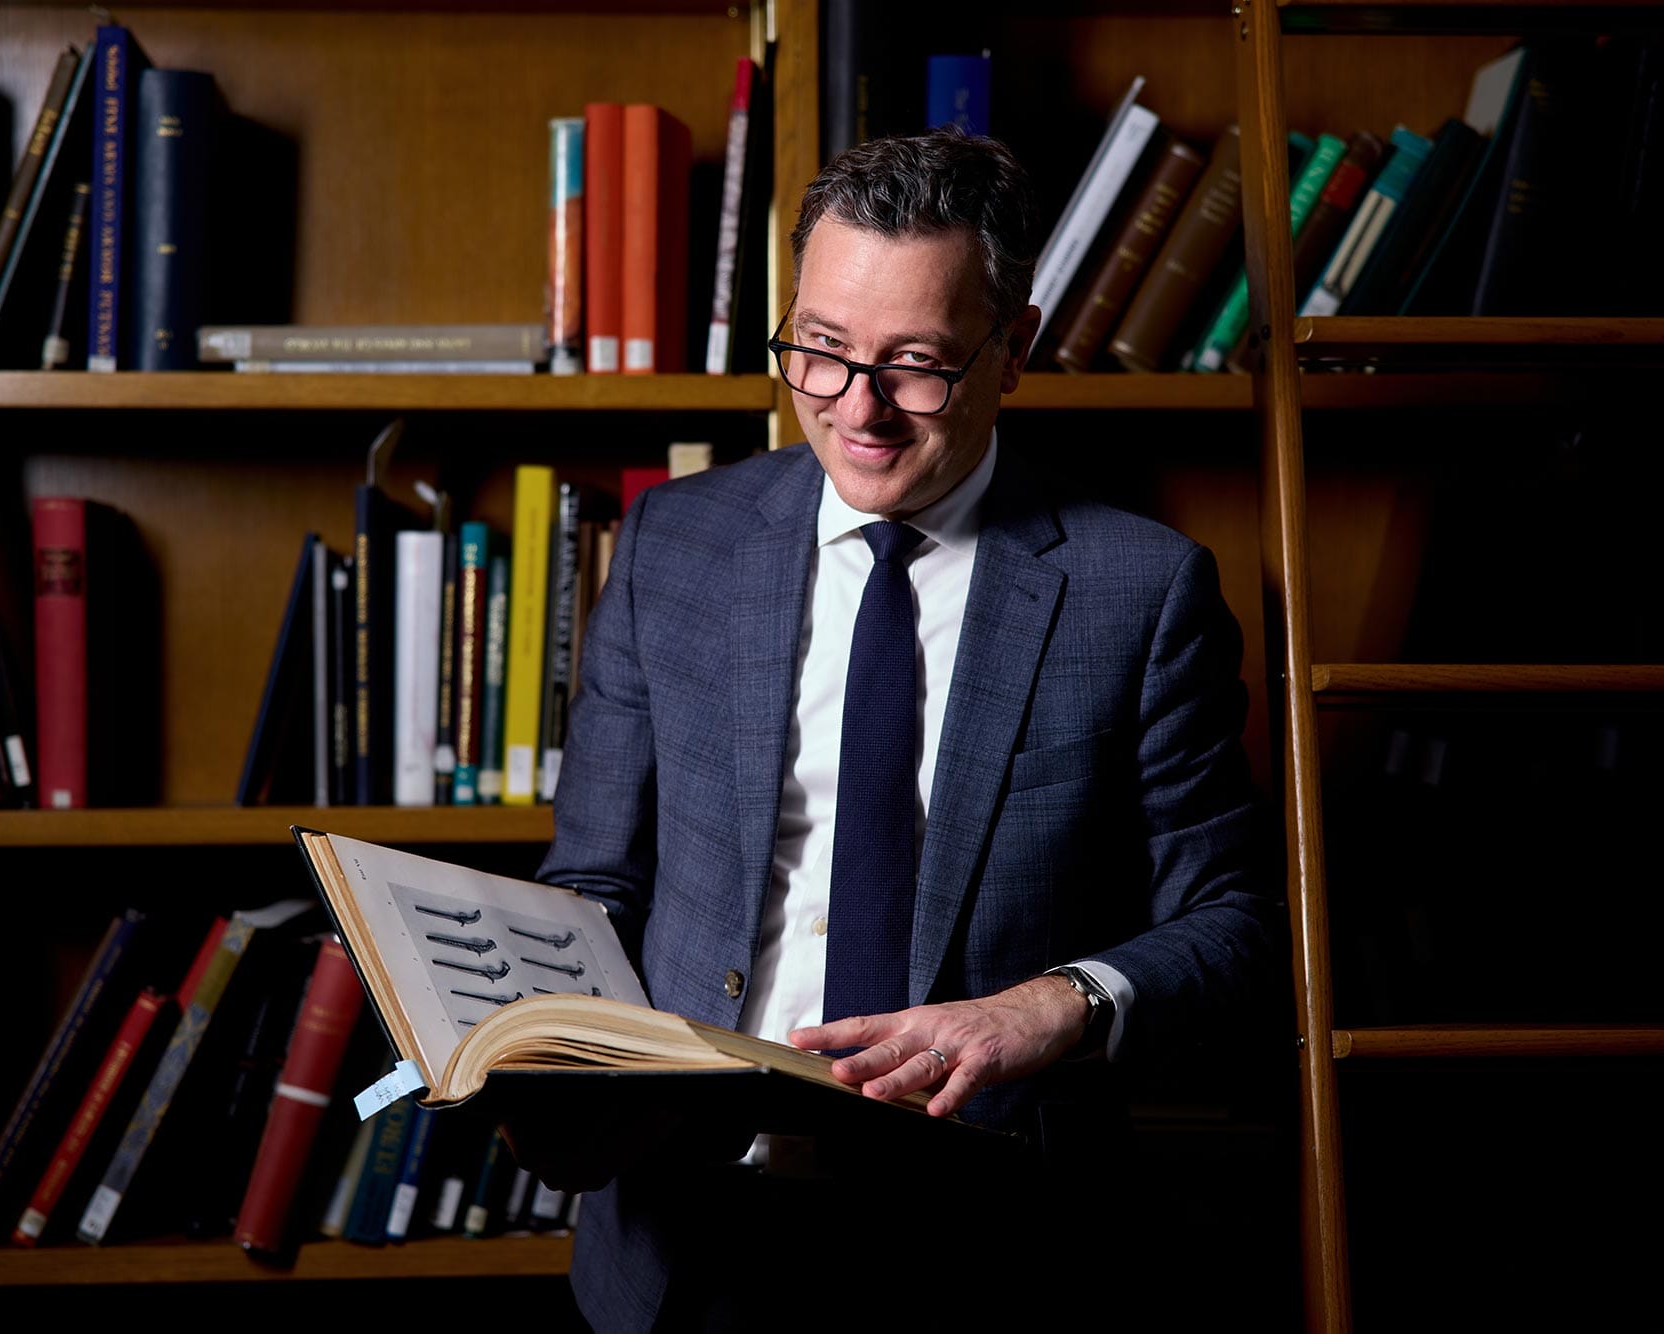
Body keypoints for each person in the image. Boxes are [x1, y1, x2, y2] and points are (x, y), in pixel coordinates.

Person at [528, 127, 1283, 1330]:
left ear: (1014, 348)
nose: (857, 409)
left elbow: (1238, 929)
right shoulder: (675, 547)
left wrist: (1053, 1005)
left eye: (914, 364)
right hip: (678, 1228)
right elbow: (595, 879)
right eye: (819, 353)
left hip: (986, 1233)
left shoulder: (1139, 591)